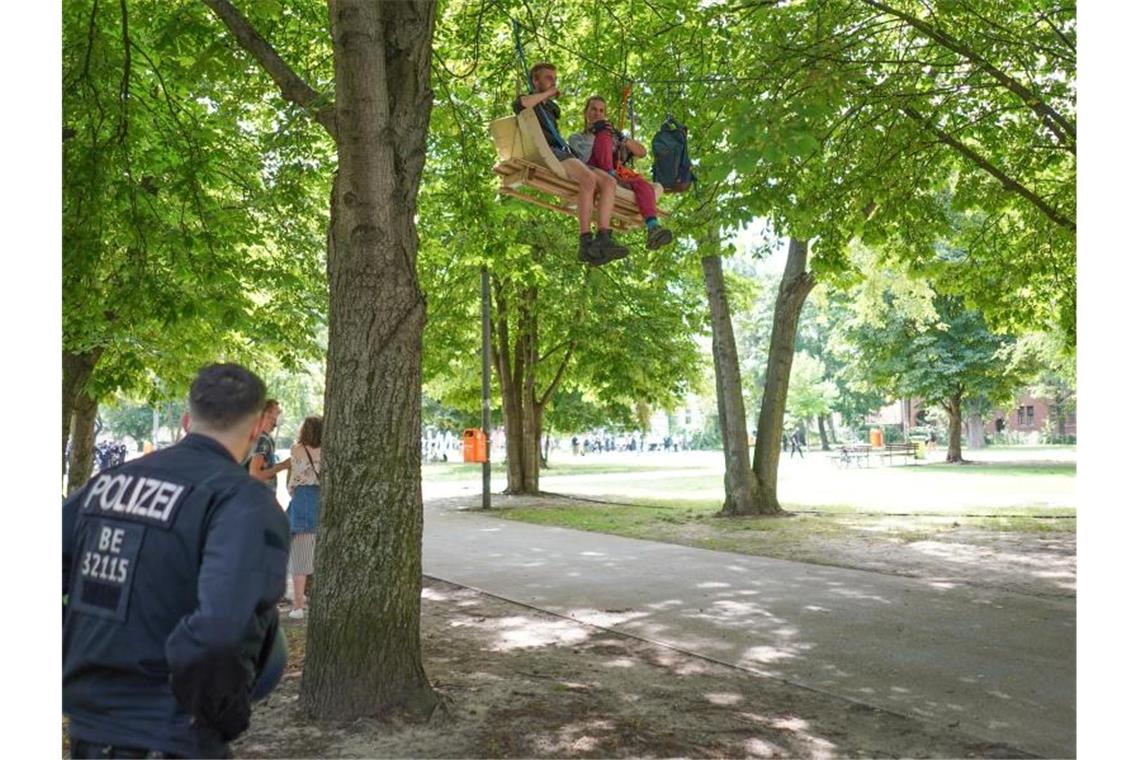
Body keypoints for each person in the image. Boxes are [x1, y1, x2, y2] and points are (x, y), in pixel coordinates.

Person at [63, 363, 289, 759]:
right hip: (172, 734)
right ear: (256, 429)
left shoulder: (105, 486)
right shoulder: (242, 502)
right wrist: (222, 717)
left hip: (91, 732)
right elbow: (222, 630)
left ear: (188, 421)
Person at [514, 62, 629, 266]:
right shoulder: (530, 100)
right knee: (588, 178)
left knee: (609, 182)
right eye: (548, 78)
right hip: (551, 152)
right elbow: (522, 104)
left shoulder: (550, 108)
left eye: (554, 78)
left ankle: (604, 237)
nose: (553, 82)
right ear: (535, 80)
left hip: (564, 151)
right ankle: (585, 241)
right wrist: (547, 93)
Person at [568, 96, 675, 250]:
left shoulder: (613, 137)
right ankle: (609, 174)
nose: (597, 113)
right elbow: (584, 160)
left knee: (643, 185)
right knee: (604, 134)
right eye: (593, 109)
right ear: (586, 113)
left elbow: (642, 152)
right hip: (596, 172)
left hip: (615, 175)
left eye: (601, 111)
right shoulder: (577, 138)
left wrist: (620, 137)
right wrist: (601, 134)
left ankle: (653, 227)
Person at [285, 415, 323, 620]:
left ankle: (298, 605)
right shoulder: (329, 450)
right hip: (322, 498)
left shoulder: (296, 449)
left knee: (300, 555)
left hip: (302, 500)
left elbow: (293, 480)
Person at [248, 399, 290, 494]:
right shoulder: (262, 440)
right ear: (267, 414)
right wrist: (283, 465)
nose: (280, 415)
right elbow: (254, 474)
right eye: (278, 412)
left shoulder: (266, 438)